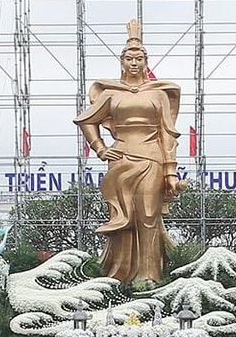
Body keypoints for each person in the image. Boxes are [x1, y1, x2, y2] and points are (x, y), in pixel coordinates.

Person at [74, 19, 183, 285]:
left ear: (146, 62)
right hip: (120, 157)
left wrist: (170, 172)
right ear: (122, 62)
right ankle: (118, 276)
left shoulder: (158, 94)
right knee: (122, 218)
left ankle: (149, 277)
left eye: (139, 59)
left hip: (152, 157)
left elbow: (167, 132)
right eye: (129, 59)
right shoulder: (112, 93)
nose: (134, 63)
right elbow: (87, 121)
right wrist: (100, 148)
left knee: (147, 215)